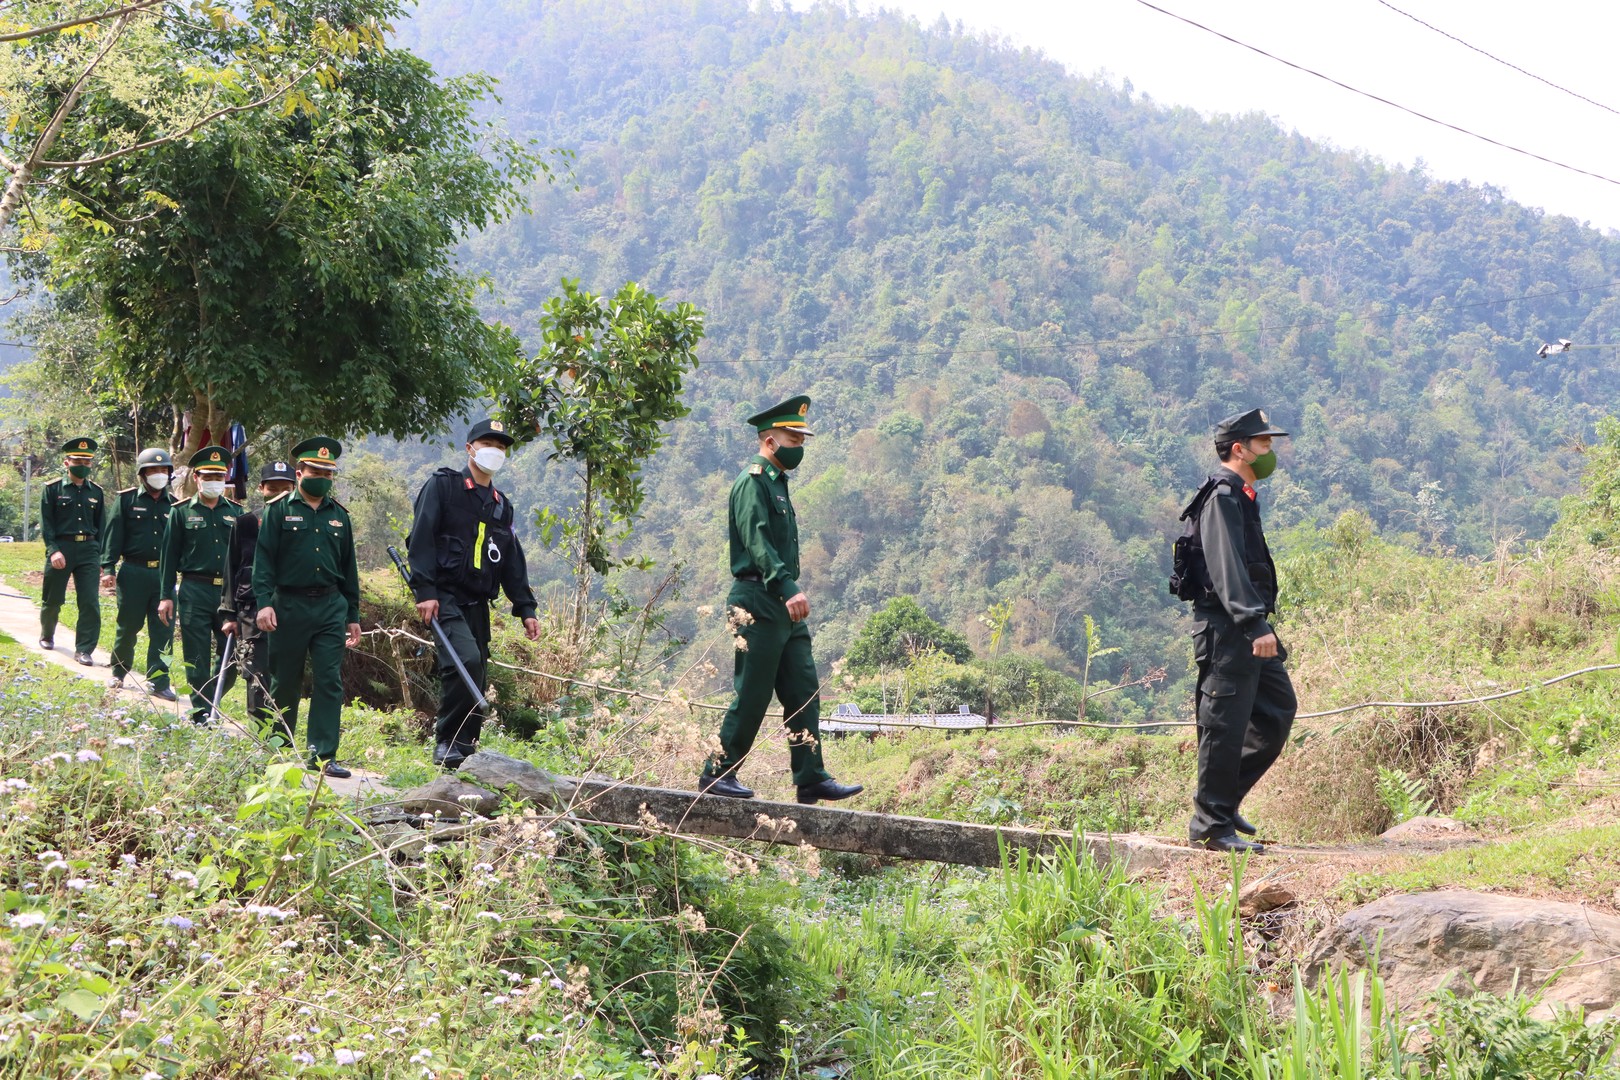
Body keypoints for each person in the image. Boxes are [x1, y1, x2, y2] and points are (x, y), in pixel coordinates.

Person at [700, 396, 862, 805]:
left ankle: (810, 776)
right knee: (753, 691)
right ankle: (718, 773)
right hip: (759, 596)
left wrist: (788, 589)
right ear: (770, 441)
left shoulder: (777, 483)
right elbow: (756, 541)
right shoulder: (752, 482)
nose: (799, 445)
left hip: (784, 603)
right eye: (793, 437)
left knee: (803, 687)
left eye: (801, 438)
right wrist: (786, 586)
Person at [1185, 409, 1298, 854]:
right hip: (1231, 630)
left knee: (1275, 713)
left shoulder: (1242, 495)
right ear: (1240, 448)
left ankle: (1223, 804)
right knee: (1224, 725)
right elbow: (1226, 565)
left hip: (1248, 629)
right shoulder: (1222, 496)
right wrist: (1253, 623)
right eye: (1264, 443)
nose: (1271, 451)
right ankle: (1211, 827)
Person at [406, 419, 542, 769]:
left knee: (478, 671)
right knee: (463, 660)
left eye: (501, 446)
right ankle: (446, 740)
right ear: (470, 448)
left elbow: (512, 559)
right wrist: (425, 590)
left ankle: (465, 746)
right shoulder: (444, 487)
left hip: (478, 601)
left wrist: (526, 607)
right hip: (443, 595)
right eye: (487, 443)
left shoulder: (501, 505)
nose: (494, 451)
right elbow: (420, 537)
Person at [252, 437, 361, 778]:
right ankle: (279, 751)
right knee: (285, 679)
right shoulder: (279, 510)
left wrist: (353, 615)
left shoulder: (340, 517)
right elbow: (264, 561)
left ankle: (323, 755)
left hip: (330, 606)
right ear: (299, 472)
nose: (322, 477)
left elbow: (349, 569)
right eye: (315, 470)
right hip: (288, 605)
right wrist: (264, 605)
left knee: (329, 680)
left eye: (328, 473)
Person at [158, 446, 240, 724]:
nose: (214, 480)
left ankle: (211, 701)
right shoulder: (181, 512)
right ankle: (201, 713)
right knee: (196, 656)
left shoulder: (237, 513)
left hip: (228, 594)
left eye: (219, 475)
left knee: (231, 658)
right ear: (196, 477)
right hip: (194, 589)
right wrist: (165, 596)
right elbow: (168, 557)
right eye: (208, 475)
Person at [219, 460, 297, 740]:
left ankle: (283, 737)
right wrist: (229, 614)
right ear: (261, 489)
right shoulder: (246, 523)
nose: (278, 494)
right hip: (251, 609)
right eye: (272, 488)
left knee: (285, 675)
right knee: (255, 675)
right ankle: (261, 737)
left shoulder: (299, 522)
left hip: (290, 608)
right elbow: (231, 568)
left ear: (294, 488)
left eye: (285, 489)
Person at [100, 447, 178, 700]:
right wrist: (108, 568)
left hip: (164, 576)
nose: (159, 474)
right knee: (128, 626)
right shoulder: (127, 500)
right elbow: (113, 537)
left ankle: (159, 681)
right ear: (143, 474)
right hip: (133, 572)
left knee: (163, 630)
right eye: (153, 470)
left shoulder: (176, 505)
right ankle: (119, 672)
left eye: (164, 469)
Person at [39, 436, 106, 665]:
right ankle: (47, 634)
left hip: (88, 549)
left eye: (87, 462)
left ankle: (84, 649)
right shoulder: (52, 489)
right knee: (53, 599)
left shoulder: (96, 492)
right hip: (62, 548)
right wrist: (53, 550)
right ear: (67, 462)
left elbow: (101, 526)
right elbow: (47, 524)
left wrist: (101, 558)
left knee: (89, 602)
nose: (83, 466)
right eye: (78, 461)